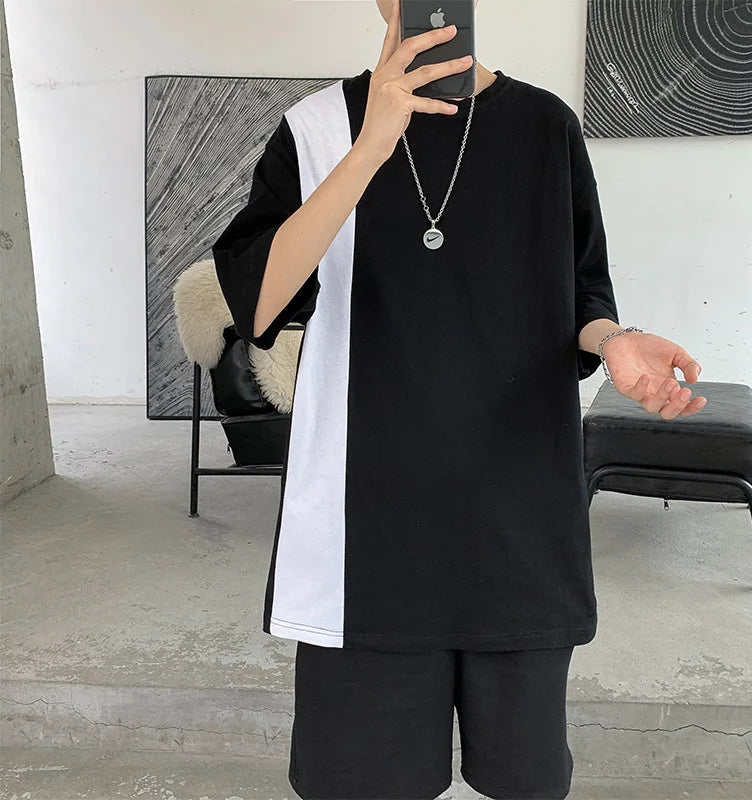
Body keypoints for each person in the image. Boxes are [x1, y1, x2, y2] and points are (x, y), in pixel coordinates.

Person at [212, 1, 707, 797]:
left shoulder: (545, 126)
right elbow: (258, 305)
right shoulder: (316, 129)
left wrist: (615, 338)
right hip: (365, 532)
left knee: (523, 778)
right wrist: (371, 146)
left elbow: (583, 291)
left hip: (516, 516)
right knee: (363, 783)